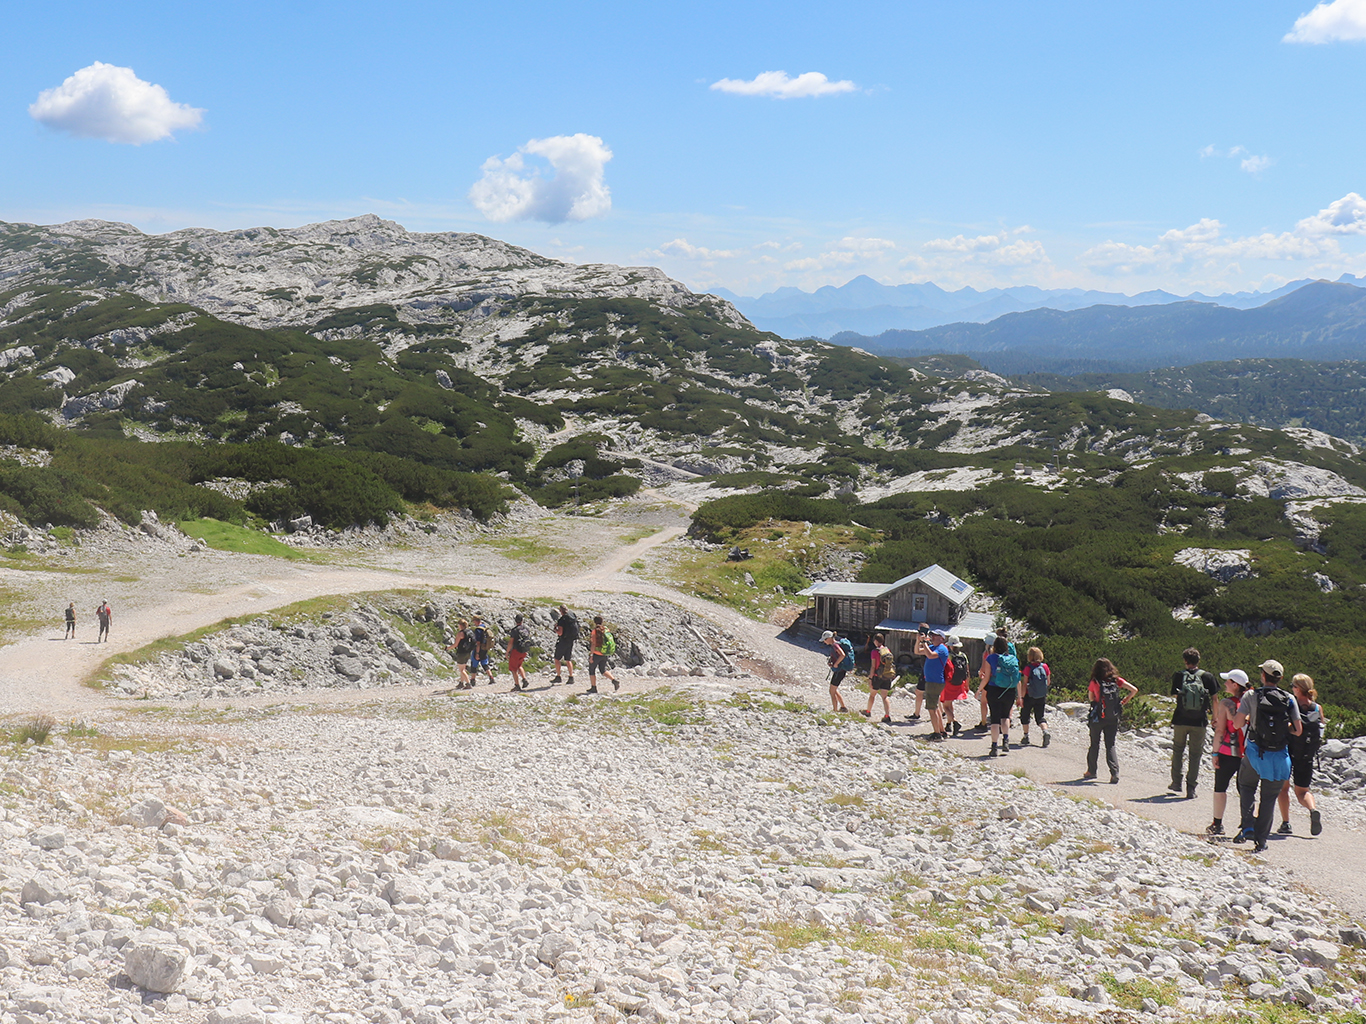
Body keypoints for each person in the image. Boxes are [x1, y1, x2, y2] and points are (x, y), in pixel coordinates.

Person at [1232, 659, 1303, 853]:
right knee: (1269, 798)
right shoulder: (1289, 698)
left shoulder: (1251, 695)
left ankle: (1247, 827)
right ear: (1279, 678)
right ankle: (1261, 841)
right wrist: (1281, 726)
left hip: (1255, 752)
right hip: (1279, 757)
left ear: (1263, 676)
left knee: (1246, 786)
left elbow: (1237, 724)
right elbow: (1298, 730)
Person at [1277, 673, 1326, 837]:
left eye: (1293, 686)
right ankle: (1312, 809)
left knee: (1283, 789)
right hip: (1307, 755)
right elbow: (1321, 728)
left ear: (1298, 689)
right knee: (1303, 791)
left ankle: (1286, 823)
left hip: (1288, 752)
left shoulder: (1291, 705)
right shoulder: (1317, 708)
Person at [1169, 647, 1218, 799]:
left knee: (1178, 750)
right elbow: (1215, 699)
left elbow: (1176, 696)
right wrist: (1214, 717)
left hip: (1180, 719)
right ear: (1198, 660)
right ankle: (1191, 788)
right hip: (1200, 721)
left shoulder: (1179, 675)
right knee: (1195, 754)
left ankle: (1176, 782)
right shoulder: (1208, 677)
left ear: (1185, 661)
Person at [1206, 669, 1249, 836]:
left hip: (1227, 752)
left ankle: (1217, 824)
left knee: (1220, 787)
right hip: (1248, 753)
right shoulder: (1252, 701)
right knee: (1245, 790)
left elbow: (1219, 731)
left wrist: (1215, 754)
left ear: (1235, 684)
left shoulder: (1226, 704)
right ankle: (1247, 825)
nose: (1225, 684)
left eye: (1228, 681)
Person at [1082, 657, 1137, 783]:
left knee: (1094, 744)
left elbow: (1091, 698)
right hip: (1113, 716)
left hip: (1098, 717)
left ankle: (1091, 771)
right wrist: (1124, 701)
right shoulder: (1116, 680)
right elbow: (1134, 690)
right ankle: (1114, 773)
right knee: (1110, 745)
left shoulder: (1094, 681)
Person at [981, 634, 1022, 756]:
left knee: (994, 719)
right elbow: (1017, 679)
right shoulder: (1012, 659)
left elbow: (987, 677)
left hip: (994, 690)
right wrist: (1020, 696)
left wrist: (979, 689)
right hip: (1009, 691)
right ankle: (1006, 740)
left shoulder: (991, 658)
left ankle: (994, 746)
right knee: (1005, 717)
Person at [915, 627, 949, 740]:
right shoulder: (933, 647)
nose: (932, 637)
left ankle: (937, 733)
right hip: (931, 680)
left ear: (941, 638)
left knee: (932, 708)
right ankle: (941, 730)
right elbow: (917, 651)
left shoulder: (942, 649)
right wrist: (918, 641)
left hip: (935, 681)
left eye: (935, 636)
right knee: (935, 707)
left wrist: (924, 642)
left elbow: (929, 655)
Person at [1018, 646, 1051, 747]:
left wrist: (1021, 698)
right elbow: (1048, 682)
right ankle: (1045, 732)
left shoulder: (1028, 668)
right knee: (1040, 717)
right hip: (1041, 696)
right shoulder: (1045, 667)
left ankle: (1026, 736)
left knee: (1025, 715)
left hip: (1029, 696)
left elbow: (1024, 684)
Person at [939, 635, 970, 737]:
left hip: (949, 682)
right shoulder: (963, 656)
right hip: (960, 682)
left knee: (946, 706)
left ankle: (955, 722)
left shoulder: (948, 655)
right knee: (950, 702)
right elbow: (967, 671)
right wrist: (967, 684)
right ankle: (949, 723)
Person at [862, 633, 895, 721]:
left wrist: (870, 678)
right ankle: (887, 716)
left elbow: (873, 666)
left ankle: (868, 711)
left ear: (876, 641)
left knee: (872, 695)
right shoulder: (887, 650)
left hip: (877, 676)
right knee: (885, 697)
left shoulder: (874, 652)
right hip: (887, 676)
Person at [820, 630, 853, 712]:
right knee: (834, 689)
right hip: (841, 670)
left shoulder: (835, 645)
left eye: (825, 640)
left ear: (829, 638)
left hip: (839, 671)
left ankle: (835, 710)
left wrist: (836, 664)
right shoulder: (837, 644)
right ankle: (843, 707)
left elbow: (842, 655)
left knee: (831, 691)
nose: (824, 642)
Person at [586, 615, 619, 694]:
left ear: (594, 622)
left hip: (596, 654)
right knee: (603, 670)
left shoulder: (595, 631)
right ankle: (614, 680)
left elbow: (593, 644)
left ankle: (593, 687)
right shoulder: (606, 629)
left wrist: (591, 655)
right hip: (604, 653)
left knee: (592, 670)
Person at [551, 605, 578, 686]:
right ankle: (571, 677)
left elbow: (560, 632)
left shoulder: (562, 620)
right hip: (571, 640)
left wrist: (555, 629)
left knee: (557, 659)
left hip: (563, 641)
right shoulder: (572, 616)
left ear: (561, 611)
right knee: (568, 659)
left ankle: (558, 676)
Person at [506, 613, 533, 692]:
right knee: (519, 665)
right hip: (524, 650)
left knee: (513, 669)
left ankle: (517, 685)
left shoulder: (514, 630)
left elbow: (511, 642)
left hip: (516, 651)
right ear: (522, 620)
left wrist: (507, 652)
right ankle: (524, 679)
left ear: (515, 621)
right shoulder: (526, 628)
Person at [468, 614, 497, 686]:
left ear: (475, 621)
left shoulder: (478, 630)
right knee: (484, 663)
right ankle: (491, 677)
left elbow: (478, 642)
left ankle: (473, 680)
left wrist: (477, 653)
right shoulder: (484, 627)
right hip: (485, 648)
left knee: (474, 664)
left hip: (479, 649)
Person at [446, 618, 473, 688]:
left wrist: (448, 648)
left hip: (461, 653)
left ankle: (468, 683)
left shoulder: (460, 633)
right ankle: (461, 683)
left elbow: (455, 645)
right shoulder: (469, 631)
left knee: (461, 670)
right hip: (468, 652)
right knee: (463, 668)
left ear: (461, 625)